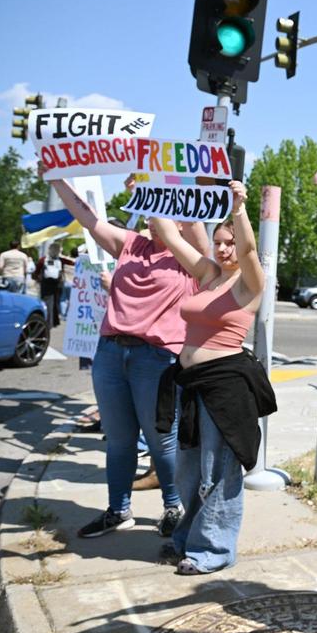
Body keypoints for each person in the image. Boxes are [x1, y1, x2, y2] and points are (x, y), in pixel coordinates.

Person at [41, 171, 207, 540]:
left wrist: (155, 192)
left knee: (162, 439)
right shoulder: (130, 244)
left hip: (158, 359)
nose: (150, 215)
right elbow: (87, 217)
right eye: (147, 209)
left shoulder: (190, 257)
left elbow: (195, 224)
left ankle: (173, 507)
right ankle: (118, 510)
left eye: (157, 209)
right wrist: (57, 181)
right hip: (111, 355)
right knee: (118, 440)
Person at [150, 181, 276, 575]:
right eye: (219, 242)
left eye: (229, 242)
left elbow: (251, 250)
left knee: (217, 471)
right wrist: (152, 189)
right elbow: (169, 234)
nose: (223, 249)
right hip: (192, 384)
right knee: (188, 470)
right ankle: (188, 539)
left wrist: (239, 208)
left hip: (225, 388)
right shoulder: (208, 273)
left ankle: (214, 550)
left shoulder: (250, 283)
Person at [33, 242, 74, 327]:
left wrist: (36, 278)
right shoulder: (60, 260)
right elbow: (72, 262)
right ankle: (54, 321)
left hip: (46, 284)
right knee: (55, 302)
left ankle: (47, 321)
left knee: (47, 302)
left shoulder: (44, 259)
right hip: (57, 284)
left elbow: (37, 271)